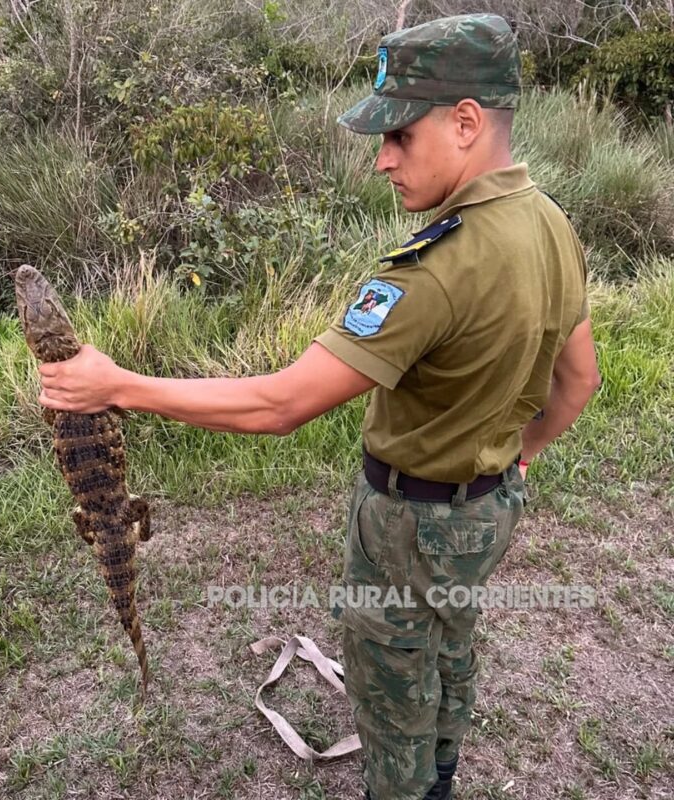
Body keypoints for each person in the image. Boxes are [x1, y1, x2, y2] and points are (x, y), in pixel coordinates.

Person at [37, 13, 600, 799]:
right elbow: (580, 382)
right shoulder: (552, 226)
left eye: (400, 136)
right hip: (488, 509)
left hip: (408, 523)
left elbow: (280, 404)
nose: (383, 160)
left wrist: (115, 386)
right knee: (449, 644)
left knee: (392, 680)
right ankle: (444, 772)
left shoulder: (433, 270)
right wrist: (518, 454)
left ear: (466, 122)